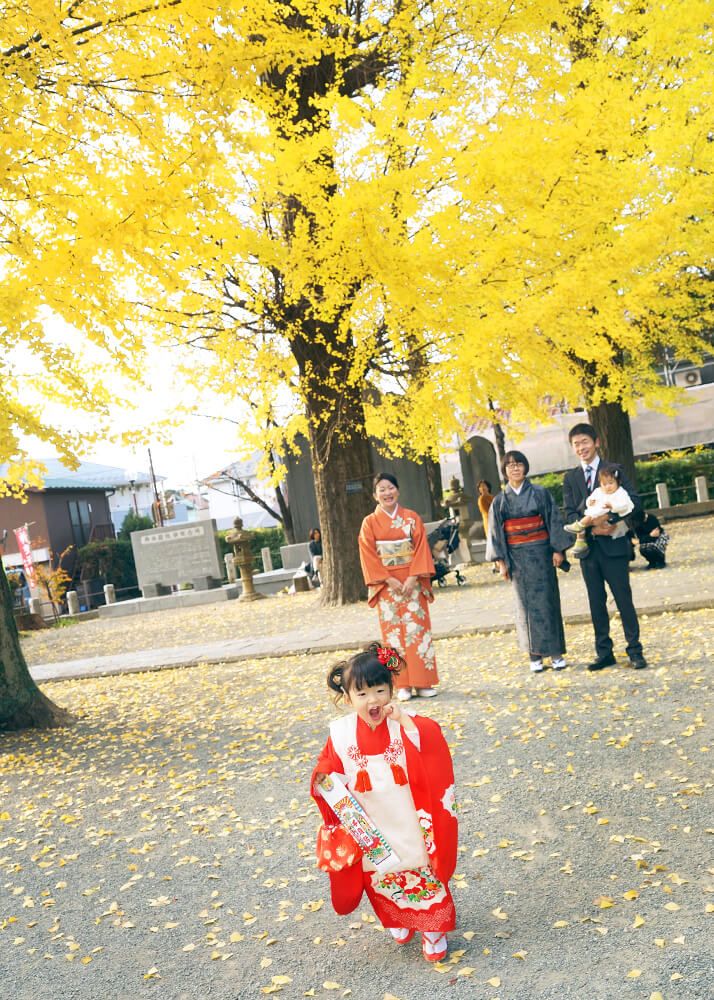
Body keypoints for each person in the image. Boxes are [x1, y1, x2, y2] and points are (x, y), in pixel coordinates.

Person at [310, 643, 458, 963]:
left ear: (391, 689)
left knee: (420, 868)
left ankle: (433, 930)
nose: (373, 700)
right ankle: (399, 919)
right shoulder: (340, 732)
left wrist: (404, 721)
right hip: (370, 820)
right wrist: (326, 781)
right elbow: (326, 769)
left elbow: (430, 743)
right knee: (380, 874)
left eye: (380, 690)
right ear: (348, 699)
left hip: (409, 816)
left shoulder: (404, 722)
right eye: (362, 694)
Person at [562, 423, 647, 671]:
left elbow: (635, 503)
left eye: (585, 442)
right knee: (596, 602)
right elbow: (568, 514)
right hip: (588, 549)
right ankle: (604, 652)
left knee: (623, 599)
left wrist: (610, 521)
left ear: (596, 442)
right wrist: (591, 526)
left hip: (615, 545)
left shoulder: (614, 470)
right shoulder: (571, 478)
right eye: (576, 444)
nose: (581, 448)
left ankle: (635, 650)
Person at [486, 450, 572, 673]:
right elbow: (495, 533)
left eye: (519, 464)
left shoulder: (540, 493)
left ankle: (555, 654)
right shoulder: (500, 500)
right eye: (510, 465)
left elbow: (553, 519)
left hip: (542, 554)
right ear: (504, 471)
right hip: (517, 558)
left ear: (525, 467)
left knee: (548, 602)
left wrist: (557, 549)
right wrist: (501, 562)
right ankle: (534, 655)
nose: (515, 468)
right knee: (524, 606)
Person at [358, 472, 439, 701]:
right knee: (392, 636)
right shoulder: (369, 523)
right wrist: (388, 579)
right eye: (381, 489)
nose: (387, 493)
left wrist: (414, 577)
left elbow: (422, 547)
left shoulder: (412, 518)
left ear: (398, 490)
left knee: (418, 632)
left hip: (412, 580)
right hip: (387, 585)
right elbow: (368, 554)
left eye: (390, 487)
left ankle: (424, 682)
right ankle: (401, 683)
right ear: (375, 495)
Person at [564, 462, 634, 558]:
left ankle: (579, 526)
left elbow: (628, 504)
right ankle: (580, 539)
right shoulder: (598, 490)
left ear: (618, 482)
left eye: (611, 483)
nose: (608, 486)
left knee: (588, 519)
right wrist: (590, 502)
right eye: (604, 484)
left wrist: (611, 510)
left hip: (614, 540)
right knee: (588, 517)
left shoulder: (620, 491)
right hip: (589, 549)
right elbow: (579, 505)